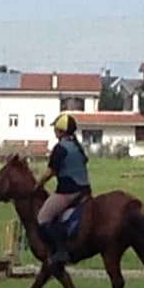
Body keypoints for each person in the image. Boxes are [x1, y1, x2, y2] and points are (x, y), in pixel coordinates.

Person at [34, 112, 91, 267]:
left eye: (56, 129)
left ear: (60, 131)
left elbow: (50, 172)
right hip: (85, 190)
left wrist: (37, 185)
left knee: (43, 217)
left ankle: (60, 251)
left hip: (68, 191)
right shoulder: (77, 147)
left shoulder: (60, 148)